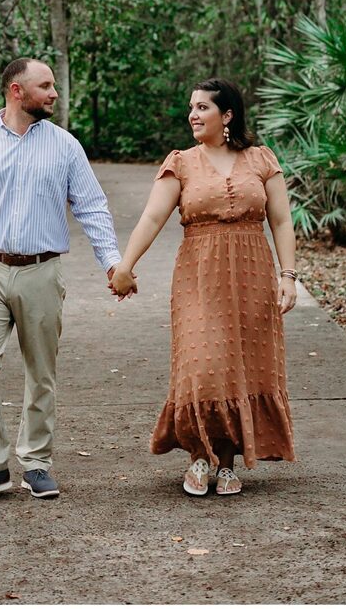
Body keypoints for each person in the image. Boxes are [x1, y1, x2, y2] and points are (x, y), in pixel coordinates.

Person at [0, 57, 125, 503]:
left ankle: (36, 462)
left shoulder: (65, 146)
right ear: (17, 91)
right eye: (46, 86)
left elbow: (91, 207)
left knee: (42, 372)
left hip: (42, 269)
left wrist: (112, 263)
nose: (54, 93)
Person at [110, 78, 297, 497]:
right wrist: (125, 266)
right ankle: (200, 455)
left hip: (252, 273)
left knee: (244, 367)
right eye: (191, 108)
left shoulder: (261, 159)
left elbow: (281, 221)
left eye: (202, 108)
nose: (193, 115)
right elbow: (152, 219)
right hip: (199, 275)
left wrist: (288, 276)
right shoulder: (182, 163)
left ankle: (228, 463)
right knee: (203, 366)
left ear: (227, 115)